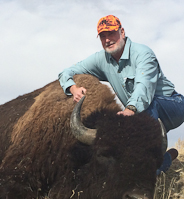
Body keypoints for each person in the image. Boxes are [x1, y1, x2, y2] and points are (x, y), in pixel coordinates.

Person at [58, 15, 184, 175]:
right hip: (138, 112)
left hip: (173, 106)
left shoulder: (143, 53)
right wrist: (72, 88)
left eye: (111, 33)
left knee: (146, 109)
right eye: (102, 36)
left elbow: (143, 87)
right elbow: (66, 72)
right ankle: (163, 161)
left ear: (122, 32)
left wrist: (130, 109)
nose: (107, 39)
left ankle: (149, 169)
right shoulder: (101, 59)